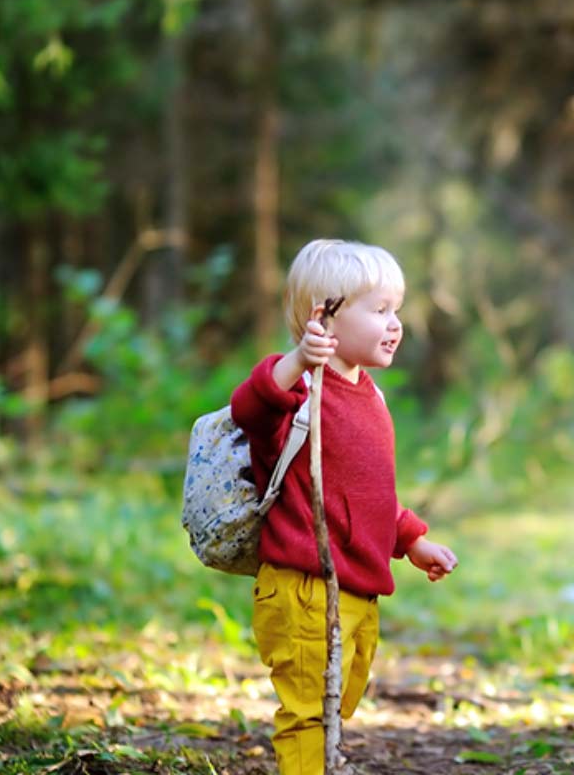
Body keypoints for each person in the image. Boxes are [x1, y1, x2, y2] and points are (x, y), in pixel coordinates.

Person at [230, 238, 458, 775]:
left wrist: (412, 541)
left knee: (340, 698)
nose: (395, 323)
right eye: (380, 310)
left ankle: (325, 762)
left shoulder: (370, 396)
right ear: (324, 319)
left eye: (396, 309)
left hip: (358, 587)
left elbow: (371, 495)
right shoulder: (299, 394)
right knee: (309, 709)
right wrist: (296, 362)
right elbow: (249, 410)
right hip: (305, 586)